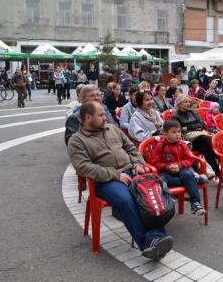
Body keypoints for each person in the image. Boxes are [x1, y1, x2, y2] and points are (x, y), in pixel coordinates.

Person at [67, 101, 173, 260]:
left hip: (131, 172)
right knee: (126, 200)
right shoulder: (77, 140)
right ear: (88, 117)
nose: (105, 118)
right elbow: (83, 167)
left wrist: (138, 163)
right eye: (101, 115)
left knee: (152, 195)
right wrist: (115, 174)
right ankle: (147, 245)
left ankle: (155, 239)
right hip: (106, 181)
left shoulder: (112, 128)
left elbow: (131, 148)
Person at [151, 121, 207, 216]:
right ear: (165, 133)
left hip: (181, 170)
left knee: (187, 174)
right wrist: (167, 167)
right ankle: (195, 178)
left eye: (179, 131)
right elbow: (155, 163)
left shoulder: (183, 144)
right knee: (162, 180)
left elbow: (190, 159)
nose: (177, 134)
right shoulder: (161, 145)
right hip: (166, 172)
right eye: (174, 132)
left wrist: (179, 165)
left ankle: (195, 204)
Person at [173, 94, 221, 180]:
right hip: (188, 141)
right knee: (205, 139)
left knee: (205, 149)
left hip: (198, 137)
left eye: (188, 102)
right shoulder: (176, 116)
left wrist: (189, 126)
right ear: (179, 104)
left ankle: (218, 172)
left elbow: (202, 124)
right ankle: (221, 159)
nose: (188, 104)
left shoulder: (193, 112)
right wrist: (193, 126)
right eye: (185, 102)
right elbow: (180, 129)